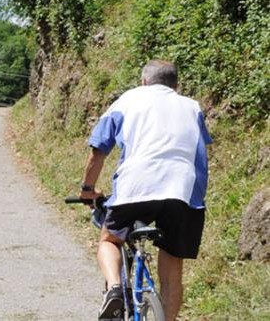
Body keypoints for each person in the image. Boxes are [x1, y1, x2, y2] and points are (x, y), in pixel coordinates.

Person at [78, 60, 211, 321]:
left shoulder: (128, 101)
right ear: (176, 85)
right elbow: (200, 156)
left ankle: (115, 289)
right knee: (172, 267)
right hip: (182, 192)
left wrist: (87, 190)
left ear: (143, 81)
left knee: (109, 240)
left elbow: (98, 151)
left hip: (134, 187)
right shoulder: (192, 107)